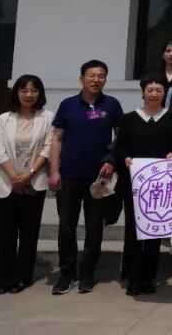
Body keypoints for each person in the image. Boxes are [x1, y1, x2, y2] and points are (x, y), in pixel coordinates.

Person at [49, 60, 123, 295]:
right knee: (66, 227)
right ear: (81, 79)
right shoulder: (68, 105)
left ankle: (87, 273)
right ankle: (67, 274)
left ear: (105, 80)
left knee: (94, 227)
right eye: (91, 75)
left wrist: (112, 159)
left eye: (101, 76)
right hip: (69, 176)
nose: (96, 80)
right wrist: (54, 170)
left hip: (99, 179)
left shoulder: (111, 105)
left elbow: (121, 137)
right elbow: (57, 139)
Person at [113, 75, 172, 296]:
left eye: (158, 90)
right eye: (150, 90)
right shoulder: (129, 118)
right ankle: (132, 276)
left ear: (164, 93)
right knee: (133, 230)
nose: (154, 94)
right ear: (143, 93)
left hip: (161, 186)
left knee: (155, 230)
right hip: (134, 183)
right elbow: (119, 147)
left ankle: (148, 277)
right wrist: (125, 158)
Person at [0, 75, 54, 294]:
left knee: (28, 233)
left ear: (40, 93)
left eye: (34, 90)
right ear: (16, 93)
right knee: (5, 233)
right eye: (24, 90)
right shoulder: (4, 118)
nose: (29, 94)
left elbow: (48, 148)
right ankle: (4, 279)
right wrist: (14, 176)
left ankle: (22, 278)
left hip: (34, 182)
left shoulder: (47, 117)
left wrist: (29, 175)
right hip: (5, 182)